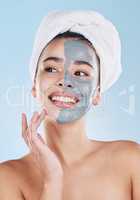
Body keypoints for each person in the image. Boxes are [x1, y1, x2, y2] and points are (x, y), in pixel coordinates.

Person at [0, 10, 140, 200]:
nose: (65, 80)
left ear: (97, 94)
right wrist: (53, 180)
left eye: (80, 73)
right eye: (51, 69)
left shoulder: (131, 161)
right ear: (34, 86)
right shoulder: (7, 178)